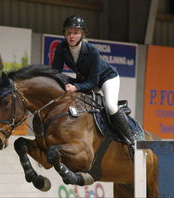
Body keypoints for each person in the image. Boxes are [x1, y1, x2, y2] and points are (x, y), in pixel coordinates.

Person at [51, 15, 136, 148]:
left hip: (106, 78)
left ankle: (131, 139)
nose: (71, 36)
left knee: (111, 106)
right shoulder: (61, 48)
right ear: (64, 34)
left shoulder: (92, 51)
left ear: (83, 34)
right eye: (68, 32)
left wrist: (75, 87)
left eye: (76, 32)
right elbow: (55, 72)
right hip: (85, 79)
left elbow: (92, 82)